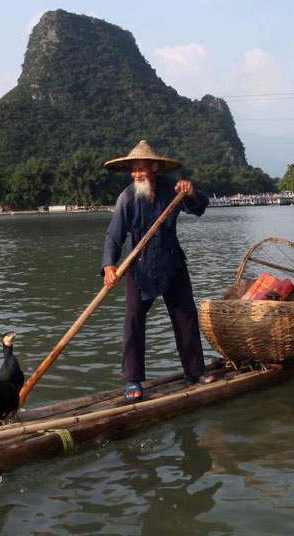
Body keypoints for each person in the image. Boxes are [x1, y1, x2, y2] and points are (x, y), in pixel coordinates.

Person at [101, 140, 214, 402]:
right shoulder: (127, 197)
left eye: (142, 169)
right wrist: (109, 266)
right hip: (139, 266)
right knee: (133, 320)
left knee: (186, 315)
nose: (137, 174)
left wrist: (190, 193)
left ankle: (195, 371)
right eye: (134, 170)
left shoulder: (172, 188)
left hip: (172, 262)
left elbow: (199, 207)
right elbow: (114, 236)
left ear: (154, 167)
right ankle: (132, 380)